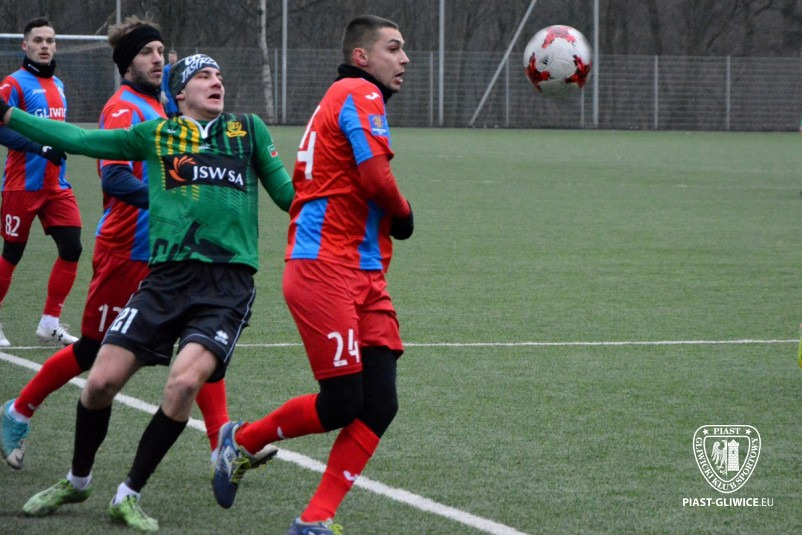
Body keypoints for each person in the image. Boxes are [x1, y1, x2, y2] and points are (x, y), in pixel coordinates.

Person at [1, 52, 294, 532]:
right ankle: (77, 481)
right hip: (163, 282)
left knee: (183, 385)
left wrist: (341, 205)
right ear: (180, 93)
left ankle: (128, 494)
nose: (216, 82)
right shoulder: (158, 133)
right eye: (204, 76)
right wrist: (9, 115)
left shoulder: (247, 130)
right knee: (99, 383)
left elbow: (288, 194)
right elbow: (80, 140)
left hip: (226, 285)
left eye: (220, 75)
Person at [211, 14, 414, 534]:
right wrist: (404, 212)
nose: (405, 58)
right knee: (344, 402)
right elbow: (376, 176)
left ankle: (315, 519)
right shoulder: (357, 91)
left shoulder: (349, 97)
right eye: (393, 48)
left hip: (363, 272)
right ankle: (243, 440)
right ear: (362, 57)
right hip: (323, 266)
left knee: (380, 402)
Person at [0, 17, 229, 474]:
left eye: (160, 52)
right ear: (127, 64)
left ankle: (221, 447)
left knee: (198, 342)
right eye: (147, 53)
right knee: (93, 349)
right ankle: (18, 411)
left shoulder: (162, 104)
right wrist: (171, 200)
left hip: (168, 250)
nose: (157, 59)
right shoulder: (124, 107)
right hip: (126, 250)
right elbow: (115, 178)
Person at [0, 17, 82, 347]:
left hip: (56, 185)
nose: (44, 46)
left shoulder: (58, 84)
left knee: (72, 247)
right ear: (25, 46)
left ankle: (49, 322)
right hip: (22, 185)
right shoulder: (13, 83)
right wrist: (38, 147)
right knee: (12, 253)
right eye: (38, 40)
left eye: (50, 40)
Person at [161, 49, 179, 118]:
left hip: (178, 94)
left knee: (179, 112)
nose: (172, 58)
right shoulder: (165, 69)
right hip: (169, 94)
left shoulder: (179, 67)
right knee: (170, 113)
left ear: (176, 57)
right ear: (168, 58)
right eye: (170, 57)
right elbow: (163, 80)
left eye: (173, 56)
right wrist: (162, 91)